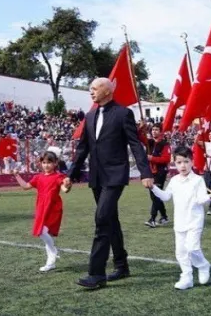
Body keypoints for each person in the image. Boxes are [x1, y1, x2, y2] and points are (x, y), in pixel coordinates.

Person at [63, 77, 153, 290]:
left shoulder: (123, 113)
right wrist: (70, 175)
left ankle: (96, 274)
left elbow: (135, 144)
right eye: (90, 89)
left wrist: (145, 172)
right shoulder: (90, 116)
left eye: (95, 88)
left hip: (115, 175)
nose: (91, 91)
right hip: (96, 177)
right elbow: (82, 149)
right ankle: (122, 266)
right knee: (110, 220)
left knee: (102, 219)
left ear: (107, 90)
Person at [146, 146, 211, 290]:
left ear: (192, 162)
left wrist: (210, 196)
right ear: (174, 163)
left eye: (186, 162)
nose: (183, 165)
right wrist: (153, 188)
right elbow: (166, 196)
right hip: (180, 222)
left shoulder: (198, 180)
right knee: (180, 252)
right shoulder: (174, 180)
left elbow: (200, 199)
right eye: (179, 162)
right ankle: (187, 277)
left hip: (194, 221)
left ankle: (203, 265)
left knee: (192, 248)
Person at [13, 151, 71, 272]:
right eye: (44, 162)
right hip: (41, 207)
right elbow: (25, 186)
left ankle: (53, 251)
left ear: (55, 163)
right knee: (43, 233)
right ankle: (51, 262)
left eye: (49, 162)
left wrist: (68, 185)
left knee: (42, 232)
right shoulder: (38, 177)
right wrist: (17, 175)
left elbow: (65, 190)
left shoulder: (58, 176)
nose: (46, 165)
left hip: (53, 208)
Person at [144, 123, 171, 228]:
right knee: (154, 195)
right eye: (153, 130)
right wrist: (142, 127)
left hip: (160, 172)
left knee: (155, 195)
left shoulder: (165, 144)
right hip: (150, 172)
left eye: (156, 130)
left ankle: (152, 219)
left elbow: (166, 159)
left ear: (160, 132)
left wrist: (152, 158)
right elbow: (140, 137)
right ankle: (164, 216)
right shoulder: (149, 142)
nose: (154, 131)